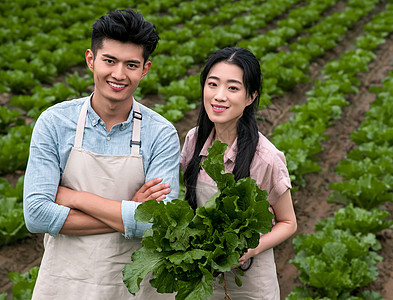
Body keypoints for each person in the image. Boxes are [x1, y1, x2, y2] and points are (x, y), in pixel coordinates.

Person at [23, 9, 179, 300]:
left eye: (131, 64)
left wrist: (74, 197)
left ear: (145, 69)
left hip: (136, 287)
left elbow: (159, 223)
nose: (119, 74)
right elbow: (36, 215)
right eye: (110, 61)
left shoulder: (161, 133)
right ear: (91, 60)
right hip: (66, 283)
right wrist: (128, 211)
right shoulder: (55, 123)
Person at [180, 47, 297, 299]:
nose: (219, 96)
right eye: (213, 84)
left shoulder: (266, 158)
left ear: (250, 96)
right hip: (203, 271)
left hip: (250, 280)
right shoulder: (193, 140)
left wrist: (251, 249)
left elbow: (288, 223)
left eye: (233, 88)